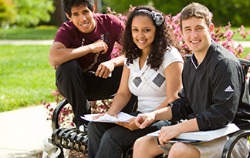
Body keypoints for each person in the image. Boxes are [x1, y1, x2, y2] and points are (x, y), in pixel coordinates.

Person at [133, 2, 250, 158]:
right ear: (181, 32)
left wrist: (180, 128)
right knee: (142, 145)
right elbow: (185, 104)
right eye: (187, 29)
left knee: (179, 151)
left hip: (231, 138)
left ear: (211, 29)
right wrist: (154, 115)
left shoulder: (225, 64)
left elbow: (222, 114)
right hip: (201, 134)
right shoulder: (190, 64)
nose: (193, 35)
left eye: (199, 28)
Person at [87, 6, 184, 158]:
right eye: (135, 30)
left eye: (146, 30)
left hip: (164, 119)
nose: (140, 35)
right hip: (139, 115)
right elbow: (123, 93)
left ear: (157, 31)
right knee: (95, 127)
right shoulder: (132, 56)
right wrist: (110, 114)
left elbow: (173, 98)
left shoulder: (170, 56)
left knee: (112, 138)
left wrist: (149, 117)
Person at [49, 0, 136, 132]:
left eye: (85, 12)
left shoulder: (109, 23)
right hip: (74, 85)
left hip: (102, 79)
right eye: (76, 14)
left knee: (132, 66)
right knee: (67, 66)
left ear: (93, 9)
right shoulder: (67, 30)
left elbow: (135, 50)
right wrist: (90, 48)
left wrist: (112, 62)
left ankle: (124, 118)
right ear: (69, 16)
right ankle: (82, 121)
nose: (82, 18)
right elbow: (54, 58)